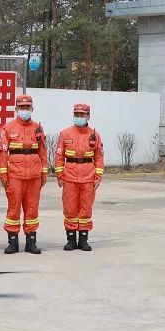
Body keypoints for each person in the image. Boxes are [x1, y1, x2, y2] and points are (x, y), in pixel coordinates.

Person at [0, 94, 48, 254]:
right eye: (22, 107)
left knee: (32, 209)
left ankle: (31, 241)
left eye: (27, 107)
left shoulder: (38, 128)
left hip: (34, 175)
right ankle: (13, 241)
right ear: (16, 109)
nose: (24, 110)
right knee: (13, 209)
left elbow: (43, 151)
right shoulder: (7, 128)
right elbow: (3, 153)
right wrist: (3, 175)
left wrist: (44, 172)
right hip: (15, 176)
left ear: (32, 109)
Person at [55, 104, 104, 251]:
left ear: (88, 116)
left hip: (88, 177)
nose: (79, 117)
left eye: (82, 115)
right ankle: (71, 239)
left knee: (86, 209)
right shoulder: (65, 134)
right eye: (76, 114)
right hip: (69, 177)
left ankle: (83, 239)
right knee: (69, 208)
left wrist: (98, 176)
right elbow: (59, 156)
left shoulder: (95, 134)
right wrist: (59, 175)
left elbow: (99, 157)